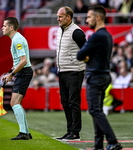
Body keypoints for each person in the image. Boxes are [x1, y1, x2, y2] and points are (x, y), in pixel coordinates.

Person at [77, 5, 122, 150]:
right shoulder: (107, 35)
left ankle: (112, 141)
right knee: (97, 111)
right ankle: (98, 145)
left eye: (89, 17)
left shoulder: (96, 36)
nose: (87, 19)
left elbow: (79, 55)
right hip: (104, 76)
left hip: (95, 77)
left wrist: (86, 57)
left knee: (94, 110)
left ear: (98, 17)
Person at [56, 6, 86, 141]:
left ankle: (75, 133)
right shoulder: (59, 31)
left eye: (61, 16)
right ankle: (69, 132)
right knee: (65, 102)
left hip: (74, 71)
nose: (58, 19)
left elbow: (86, 51)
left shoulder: (77, 32)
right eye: (58, 16)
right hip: (62, 71)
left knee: (74, 102)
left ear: (69, 17)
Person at [1, 17, 33, 140]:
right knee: (16, 102)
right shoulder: (16, 39)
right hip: (23, 72)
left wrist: (11, 74)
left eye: (4, 26)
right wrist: (10, 72)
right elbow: (18, 61)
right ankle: (26, 132)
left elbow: (24, 61)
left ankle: (24, 133)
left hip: (24, 72)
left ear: (11, 27)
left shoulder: (17, 40)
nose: (2, 28)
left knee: (14, 102)